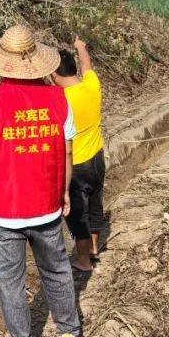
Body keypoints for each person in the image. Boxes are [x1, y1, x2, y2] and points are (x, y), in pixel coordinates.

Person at [0, 24, 81, 337]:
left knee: (10, 280)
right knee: (57, 270)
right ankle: (69, 336)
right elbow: (67, 152)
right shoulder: (59, 98)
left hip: (3, 210)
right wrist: (63, 192)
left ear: (2, 62)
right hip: (46, 204)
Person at [52, 36, 105, 271]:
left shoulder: (59, 100)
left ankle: (83, 260)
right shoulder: (91, 85)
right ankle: (94, 248)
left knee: (77, 213)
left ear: (54, 75)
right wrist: (81, 47)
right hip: (97, 157)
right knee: (95, 203)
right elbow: (88, 66)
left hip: (77, 164)